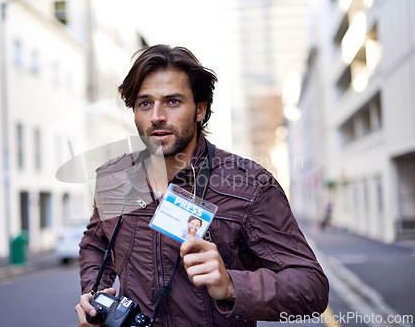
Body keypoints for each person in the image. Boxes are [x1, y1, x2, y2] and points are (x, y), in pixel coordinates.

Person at [75, 44, 329, 327]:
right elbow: (96, 245)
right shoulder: (115, 178)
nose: (157, 115)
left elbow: (312, 288)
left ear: (200, 109)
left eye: (173, 101)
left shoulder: (250, 184)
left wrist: (231, 285)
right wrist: (95, 293)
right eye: (145, 103)